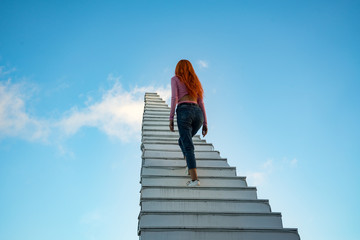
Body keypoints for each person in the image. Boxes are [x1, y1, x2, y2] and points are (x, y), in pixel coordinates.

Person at [169, 59, 208, 187]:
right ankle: (188, 165)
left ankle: (195, 180)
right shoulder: (195, 82)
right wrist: (205, 123)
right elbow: (201, 102)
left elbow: (174, 98)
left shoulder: (175, 79)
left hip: (184, 110)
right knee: (182, 141)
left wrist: (171, 118)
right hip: (198, 114)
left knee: (188, 145)